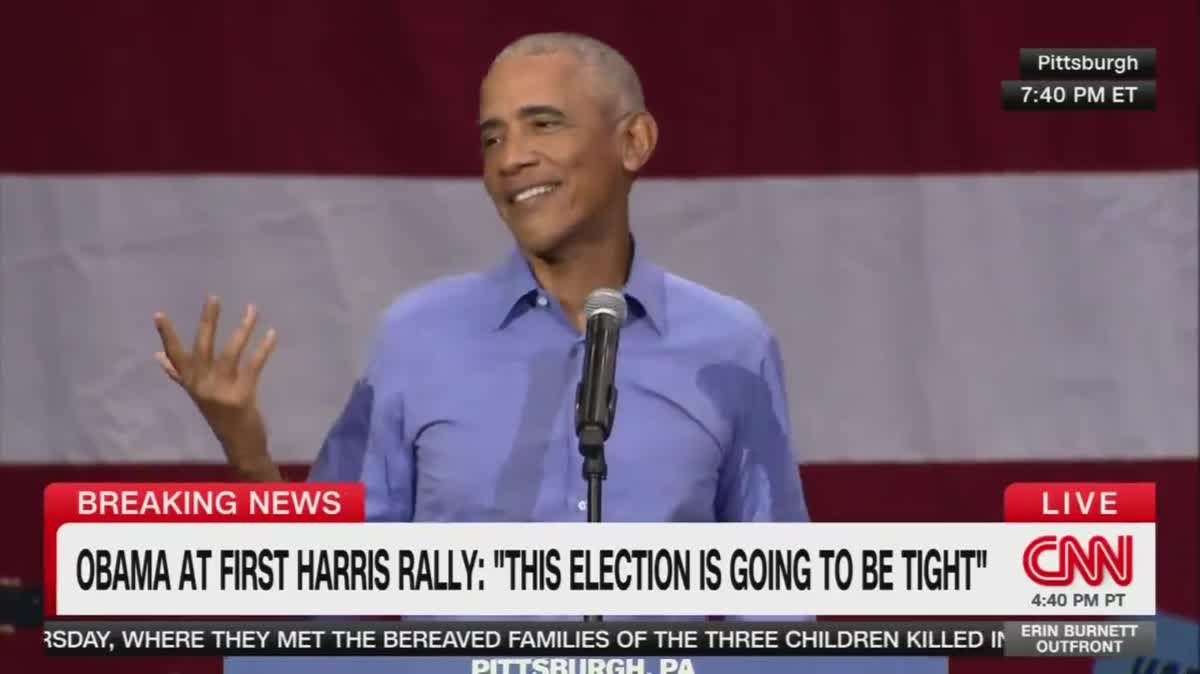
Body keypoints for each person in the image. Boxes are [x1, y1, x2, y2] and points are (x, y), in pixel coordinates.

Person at [153, 32, 809, 525]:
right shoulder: (417, 338)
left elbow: (775, 604)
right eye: (492, 138)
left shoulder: (731, 345)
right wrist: (249, 456)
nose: (511, 158)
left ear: (633, 141)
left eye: (543, 124)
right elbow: (329, 585)